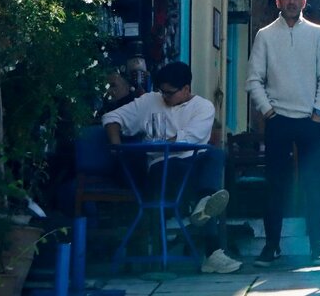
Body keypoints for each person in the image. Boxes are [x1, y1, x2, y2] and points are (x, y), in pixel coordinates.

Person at [101, 61, 239, 275]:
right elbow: (111, 117)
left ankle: (204, 207)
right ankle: (210, 243)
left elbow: (191, 138)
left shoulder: (203, 107)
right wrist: (116, 147)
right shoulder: (150, 101)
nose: (164, 96)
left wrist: (162, 140)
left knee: (214, 155)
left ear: (186, 89)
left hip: (191, 165)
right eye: (161, 92)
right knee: (208, 177)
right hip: (162, 170)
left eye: (169, 93)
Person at [245, 0, 320, 266]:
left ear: (304, 2)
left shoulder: (317, 34)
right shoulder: (265, 35)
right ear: (278, 2)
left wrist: (319, 111)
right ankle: (272, 246)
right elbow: (253, 80)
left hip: (310, 120)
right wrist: (268, 111)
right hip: (279, 119)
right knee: (275, 185)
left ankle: (317, 246)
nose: (292, 1)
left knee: (315, 184)